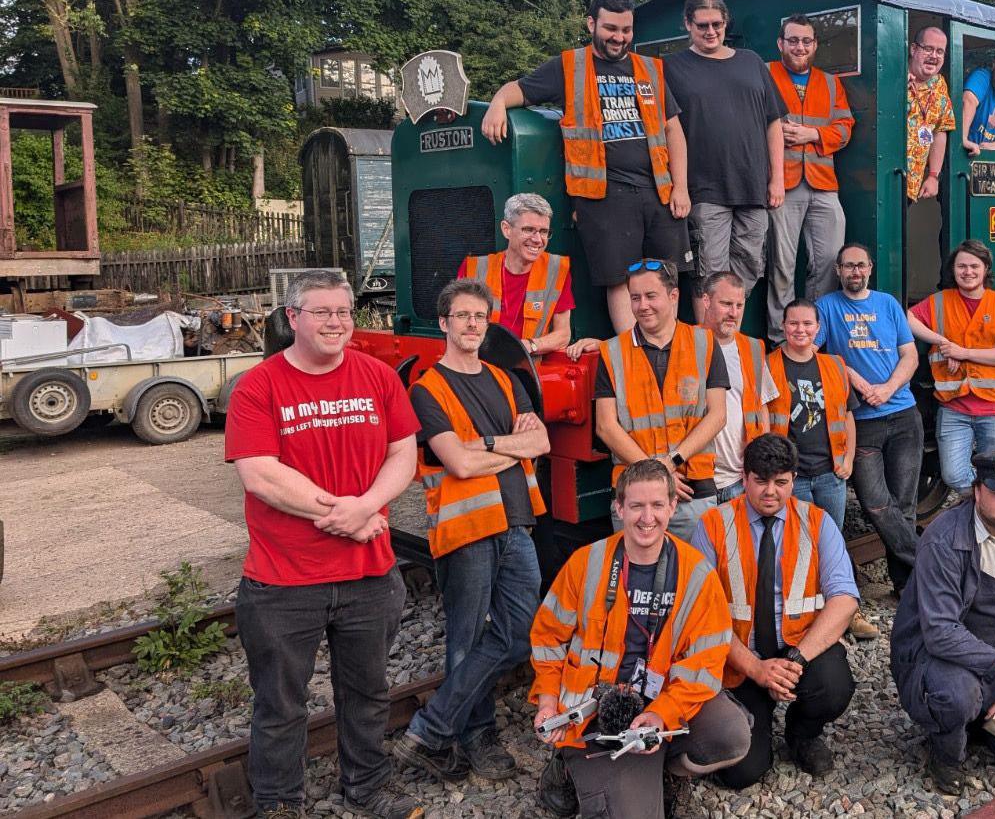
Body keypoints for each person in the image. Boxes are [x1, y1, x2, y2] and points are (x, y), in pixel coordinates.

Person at [224, 270, 422, 819]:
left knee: (367, 695)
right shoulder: (258, 386)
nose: (337, 323)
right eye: (322, 313)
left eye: (344, 312)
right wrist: (348, 515)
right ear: (292, 319)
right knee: (280, 705)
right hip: (283, 581)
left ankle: (368, 787)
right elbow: (260, 474)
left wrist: (364, 508)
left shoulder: (378, 377)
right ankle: (280, 802)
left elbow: (402, 453)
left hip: (368, 576)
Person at [391, 280, 549, 784]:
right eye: (462, 316)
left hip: (517, 523)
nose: (473, 324)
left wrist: (483, 447)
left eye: (480, 316)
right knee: (465, 639)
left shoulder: (506, 379)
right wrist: (508, 447)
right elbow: (456, 462)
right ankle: (476, 735)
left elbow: (541, 442)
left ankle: (432, 729)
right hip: (467, 529)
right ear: (443, 323)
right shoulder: (426, 389)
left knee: (521, 633)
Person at [530, 459, 750, 819]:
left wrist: (661, 714)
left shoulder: (697, 575)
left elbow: (705, 662)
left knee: (730, 735)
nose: (647, 518)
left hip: (664, 701)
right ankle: (567, 768)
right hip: (595, 711)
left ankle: (664, 768)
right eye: (636, 506)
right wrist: (549, 700)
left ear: (672, 506)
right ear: (619, 508)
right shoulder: (586, 564)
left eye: (657, 505)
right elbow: (547, 637)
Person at [481, 0, 691, 335]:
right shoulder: (569, 66)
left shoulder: (649, 69)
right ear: (591, 23)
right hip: (604, 194)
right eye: (610, 28)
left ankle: (668, 350)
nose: (618, 37)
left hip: (659, 191)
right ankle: (632, 352)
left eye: (626, 30)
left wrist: (680, 186)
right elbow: (516, 89)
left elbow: (673, 130)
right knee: (619, 277)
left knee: (668, 275)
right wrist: (497, 104)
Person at [890, 451, 995, 794]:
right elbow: (940, 633)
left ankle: (982, 719)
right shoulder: (943, 538)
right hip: (941, 662)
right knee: (957, 697)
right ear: (978, 491)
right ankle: (946, 754)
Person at [691, 435, 859, 787]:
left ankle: (802, 734)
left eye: (781, 482)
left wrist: (796, 661)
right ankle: (757, 715)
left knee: (833, 685)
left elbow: (844, 599)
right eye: (760, 481)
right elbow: (701, 617)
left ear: (793, 479)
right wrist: (756, 669)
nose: (771, 492)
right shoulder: (713, 525)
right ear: (744, 477)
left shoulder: (816, 522)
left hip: (796, 650)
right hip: (738, 659)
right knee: (741, 774)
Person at [664, 0, 786, 302]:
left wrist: (777, 179)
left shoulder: (751, 61)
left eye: (716, 24)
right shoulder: (671, 68)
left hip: (753, 189)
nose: (711, 31)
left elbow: (773, 122)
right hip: (704, 191)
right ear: (687, 24)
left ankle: (731, 349)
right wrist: (678, 186)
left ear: (726, 22)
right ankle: (710, 351)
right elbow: (665, 129)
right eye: (702, 25)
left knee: (744, 277)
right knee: (708, 278)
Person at [766, 299, 877, 640]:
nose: (800, 330)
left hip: (830, 473)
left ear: (817, 328)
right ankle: (806, 616)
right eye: (793, 324)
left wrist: (848, 459)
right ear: (783, 327)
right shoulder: (768, 366)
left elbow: (846, 414)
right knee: (798, 547)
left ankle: (848, 612)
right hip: (792, 477)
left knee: (834, 544)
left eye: (807, 324)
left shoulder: (833, 365)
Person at [594, 258, 729, 539]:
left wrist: (669, 463)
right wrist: (658, 473)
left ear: (673, 296)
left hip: (693, 491)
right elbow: (605, 426)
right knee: (636, 581)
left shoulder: (704, 343)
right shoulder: (612, 352)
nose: (642, 306)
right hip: (632, 495)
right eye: (635, 298)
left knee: (696, 579)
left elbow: (717, 415)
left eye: (650, 296)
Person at [815, 244, 922, 595]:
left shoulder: (889, 304)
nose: (855, 272)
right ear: (838, 269)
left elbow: (909, 356)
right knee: (877, 504)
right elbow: (812, 355)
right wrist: (856, 380)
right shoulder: (826, 308)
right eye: (848, 266)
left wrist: (889, 388)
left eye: (860, 265)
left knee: (904, 505)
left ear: (870, 268)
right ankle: (929, 567)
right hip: (862, 422)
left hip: (903, 414)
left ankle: (907, 587)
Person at [908, 240, 995, 497]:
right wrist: (942, 342)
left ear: (986, 269)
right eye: (962, 266)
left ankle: (984, 519)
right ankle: (986, 504)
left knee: (994, 473)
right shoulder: (939, 302)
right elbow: (909, 318)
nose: (968, 272)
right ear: (954, 270)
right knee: (953, 474)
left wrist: (964, 353)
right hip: (954, 406)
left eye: (974, 266)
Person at [765, 13, 855, 333]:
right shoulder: (765, 75)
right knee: (782, 266)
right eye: (793, 40)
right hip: (782, 185)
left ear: (815, 45)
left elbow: (845, 128)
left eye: (806, 41)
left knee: (830, 262)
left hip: (823, 184)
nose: (799, 46)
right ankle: (780, 338)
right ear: (781, 43)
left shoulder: (831, 84)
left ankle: (814, 335)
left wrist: (813, 135)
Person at [456, 193, 574, 360]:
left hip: (527, 372)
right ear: (506, 229)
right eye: (528, 230)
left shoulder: (556, 269)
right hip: (479, 367)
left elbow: (563, 334)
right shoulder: (473, 268)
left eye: (544, 232)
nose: (538, 240)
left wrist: (528, 345)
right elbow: (457, 327)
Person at [697, 271, 778, 503]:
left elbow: (761, 406)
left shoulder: (752, 348)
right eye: (725, 304)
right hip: (699, 479)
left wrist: (760, 462)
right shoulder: (685, 342)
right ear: (706, 301)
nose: (733, 313)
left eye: (739, 305)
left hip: (740, 479)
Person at [906, 26, 956, 202]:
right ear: (913, 49)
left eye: (940, 51)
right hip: (885, 179)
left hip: (913, 185)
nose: (934, 56)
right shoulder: (894, 76)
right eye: (928, 49)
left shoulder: (939, 84)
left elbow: (940, 130)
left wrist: (933, 176)